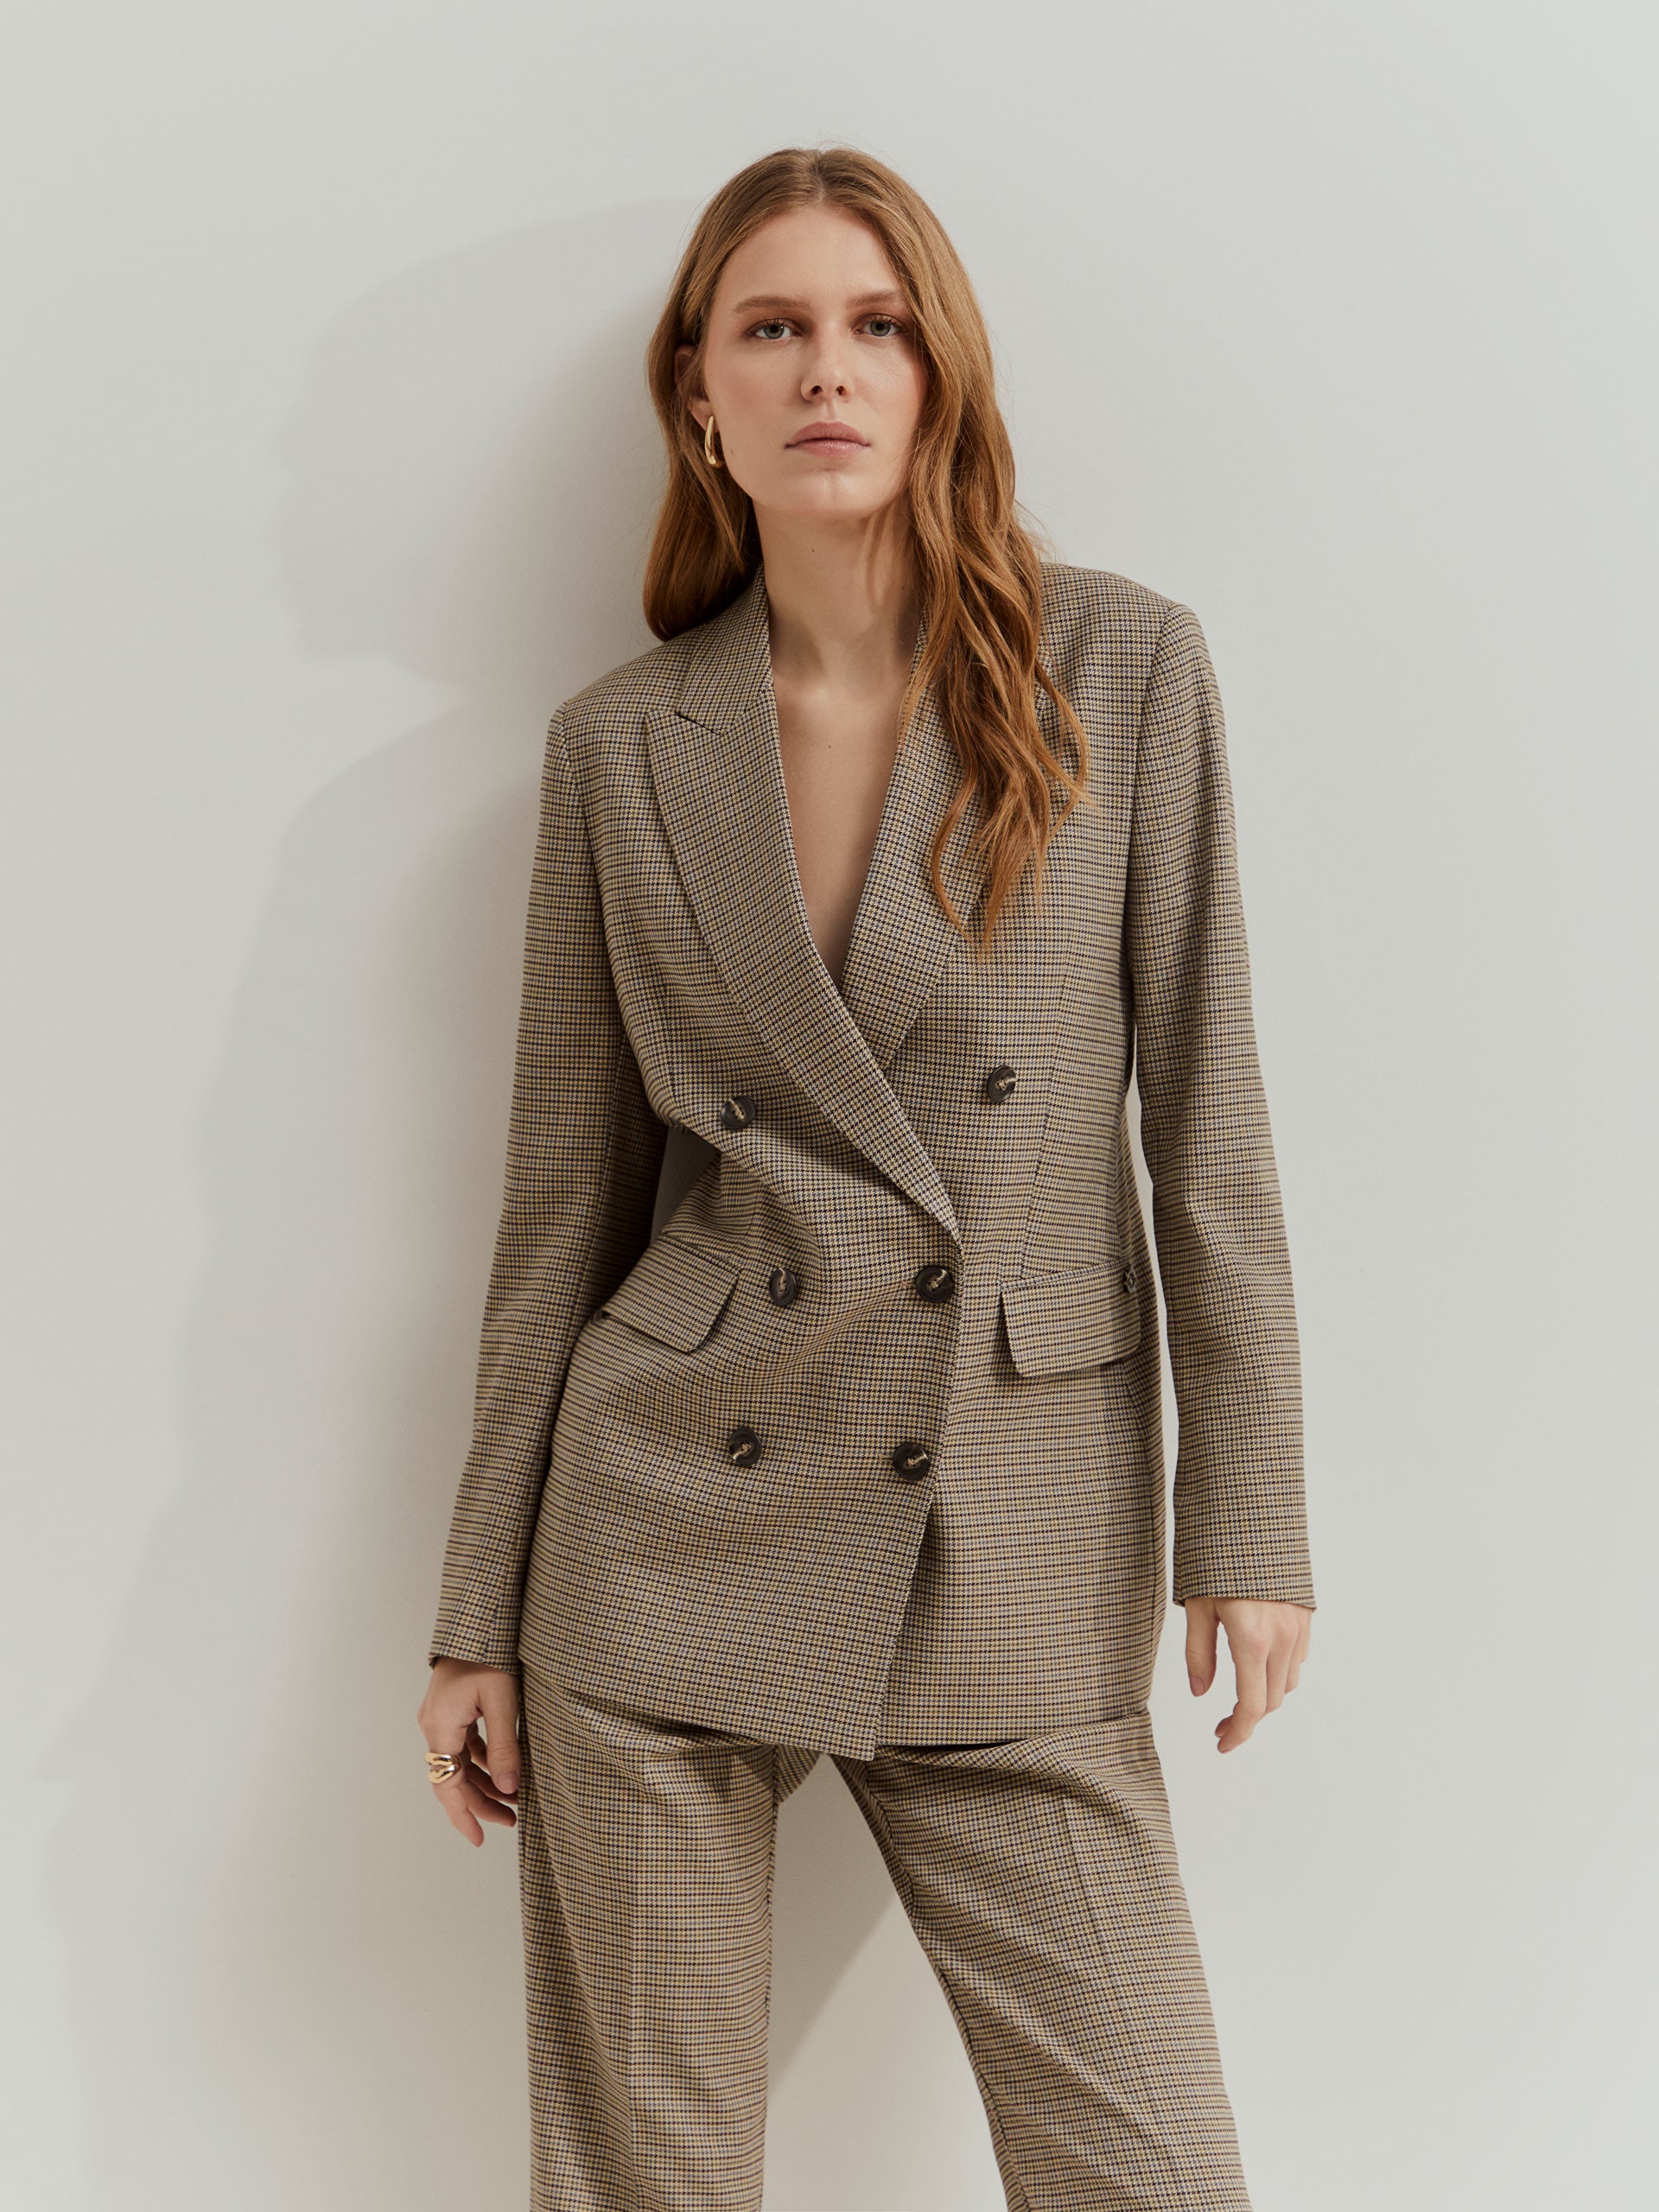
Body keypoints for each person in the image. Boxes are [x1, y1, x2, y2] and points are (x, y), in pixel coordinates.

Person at [417, 144, 1315, 2212]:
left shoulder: (1121, 671)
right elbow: (560, 1198)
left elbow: (1212, 1120)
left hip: (1008, 1510)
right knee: (649, 2180)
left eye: (878, 325)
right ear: (700, 396)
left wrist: (1249, 1514)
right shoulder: (623, 743)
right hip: (659, 1531)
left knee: (1152, 2171)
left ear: (940, 373)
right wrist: (477, 1607)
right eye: (775, 327)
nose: (830, 369)